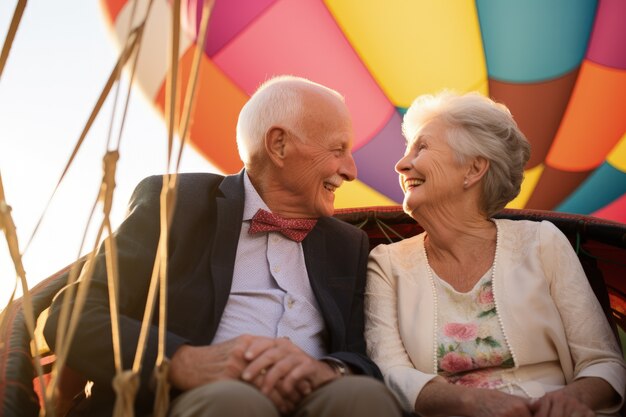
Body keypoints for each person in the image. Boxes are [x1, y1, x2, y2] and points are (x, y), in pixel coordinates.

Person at [44, 75, 401, 417]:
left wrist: (332, 371)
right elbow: (71, 316)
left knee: (363, 396)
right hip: (193, 402)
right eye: (338, 150)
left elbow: (362, 354)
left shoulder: (347, 244)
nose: (352, 170)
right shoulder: (174, 203)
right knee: (234, 404)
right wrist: (183, 361)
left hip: (315, 402)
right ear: (279, 144)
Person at [365, 91, 626, 417]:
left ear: (473, 169)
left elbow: (603, 361)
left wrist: (573, 400)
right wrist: (472, 402)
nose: (401, 164)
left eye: (421, 148)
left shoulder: (542, 242)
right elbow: (390, 372)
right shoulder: (387, 264)